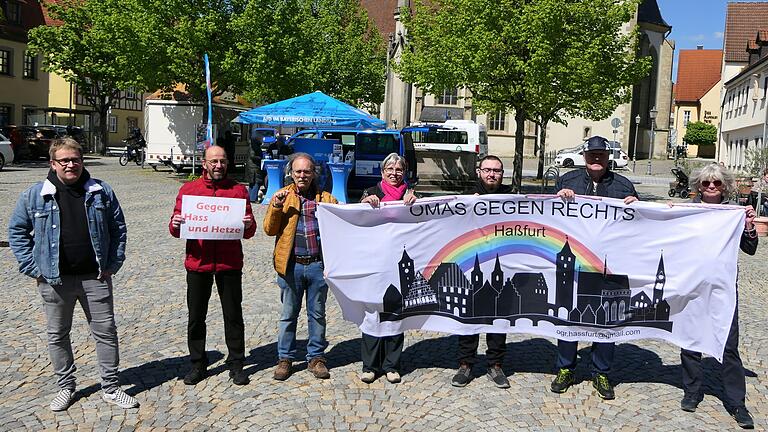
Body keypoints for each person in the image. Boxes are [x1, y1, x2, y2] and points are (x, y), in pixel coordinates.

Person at [8, 138, 139, 411]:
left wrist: (113, 263)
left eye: (75, 159)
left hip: (96, 277)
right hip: (55, 280)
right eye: (64, 160)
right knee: (58, 333)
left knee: (106, 332)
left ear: (82, 161)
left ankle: (111, 387)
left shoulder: (101, 191)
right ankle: (66, 387)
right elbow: (17, 233)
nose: (71, 165)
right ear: (53, 163)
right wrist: (33, 268)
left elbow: (119, 229)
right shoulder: (34, 195)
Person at [550, 136, 638, 400]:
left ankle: (602, 371)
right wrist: (557, 198)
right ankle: (566, 367)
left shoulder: (623, 185)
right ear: (585, 157)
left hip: (610, 265)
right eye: (592, 155)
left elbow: (640, 225)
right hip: (575, 262)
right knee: (569, 316)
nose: (596, 159)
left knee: (606, 318)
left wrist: (636, 204)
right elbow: (550, 216)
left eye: (601, 155)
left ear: (608, 157)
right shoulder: (568, 182)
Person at [676, 164, 756, 429]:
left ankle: (736, 402)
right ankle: (692, 390)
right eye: (707, 183)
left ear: (725, 186)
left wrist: (748, 225)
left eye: (717, 183)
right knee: (690, 339)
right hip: (692, 285)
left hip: (723, 288)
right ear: (698, 186)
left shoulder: (733, 212)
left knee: (729, 344)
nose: (711, 187)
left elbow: (751, 248)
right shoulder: (688, 212)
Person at [169, 145, 256, 386]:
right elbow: (175, 229)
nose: (219, 165)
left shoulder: (238, 191)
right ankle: (198, 363)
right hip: (198, 263)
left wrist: (248, 224)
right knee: (196, 316)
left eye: (222, 161)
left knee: (233, 315)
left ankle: (237, 363)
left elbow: (249, 232)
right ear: (204, 163)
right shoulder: (189, 190)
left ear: (227, 163)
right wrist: (176, 223)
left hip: (229, 263)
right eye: (214, 161)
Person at [263, 153, 338, 381]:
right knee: (288, 315)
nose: (302, 175)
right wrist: (275, 207)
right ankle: (285, 358)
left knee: (317, 315)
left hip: (317, 265)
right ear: (291, 173)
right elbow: (268, 229)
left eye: (307, 171)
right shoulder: (281, 197)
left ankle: (316, 358)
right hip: (291, 265)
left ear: (314, 173)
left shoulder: (327, 199)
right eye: (298, 171)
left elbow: (345, 224)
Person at [452, 155, 511, 389]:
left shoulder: (511, 196)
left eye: (496, 171)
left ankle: (495, 365)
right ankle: (466, 364)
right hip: (472, 262)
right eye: (487, 170)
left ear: (502, 174)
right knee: (470, 314)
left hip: (502, 263)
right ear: (478, 172)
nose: (491, 175)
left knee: (498, 316)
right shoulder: (465, 196)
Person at [359, 153, 417, 384]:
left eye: (399, 169)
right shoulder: (371, 192)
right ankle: (370, 365)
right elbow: (355, 218)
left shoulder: (410, 195)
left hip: (399, 261)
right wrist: (363, 205)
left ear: (404, 173)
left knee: (395, 311)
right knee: (372, 311)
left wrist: (416, 203)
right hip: (375, 261)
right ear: (382, 172)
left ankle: (392, 364)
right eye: (390, 169)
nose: (394, 173)